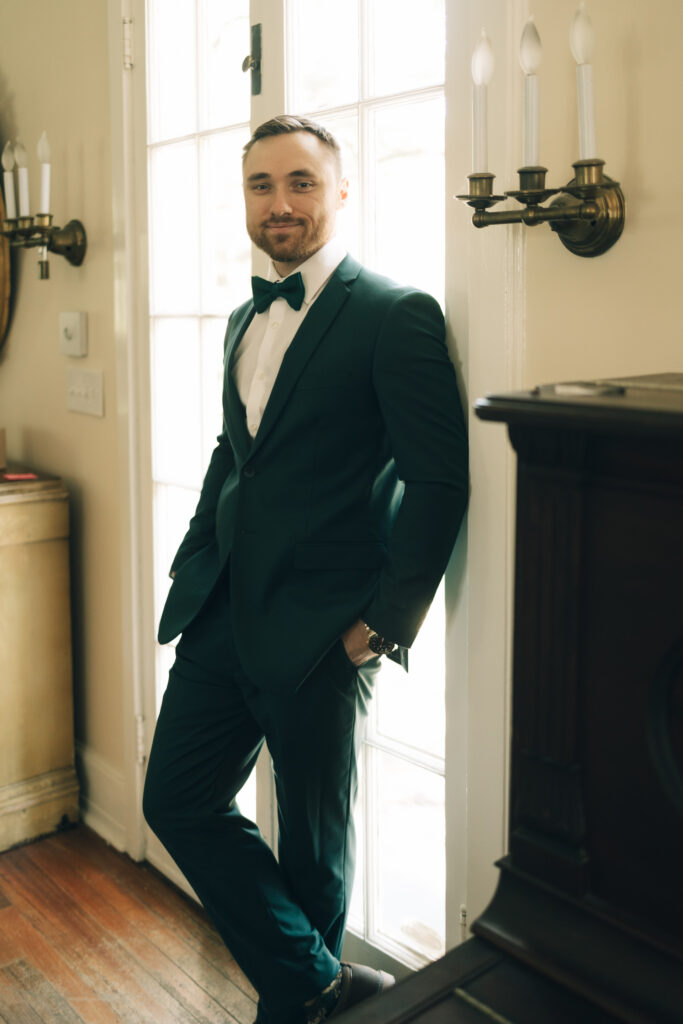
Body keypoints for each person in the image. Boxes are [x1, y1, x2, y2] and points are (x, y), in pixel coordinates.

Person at [143, 115, 468, 1024]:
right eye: (260, 185)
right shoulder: (246, 316)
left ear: (339, 193)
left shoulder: (394, 314)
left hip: (325, 630)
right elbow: (233, 452)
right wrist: (197, 555)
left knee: (314, 851)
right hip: (220, 616)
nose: (279, 203)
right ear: (243, 196)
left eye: (300, 183)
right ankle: (322, 988)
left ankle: (294, 1011)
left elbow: (438, 482)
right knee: (175, 799)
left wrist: (382, 626)